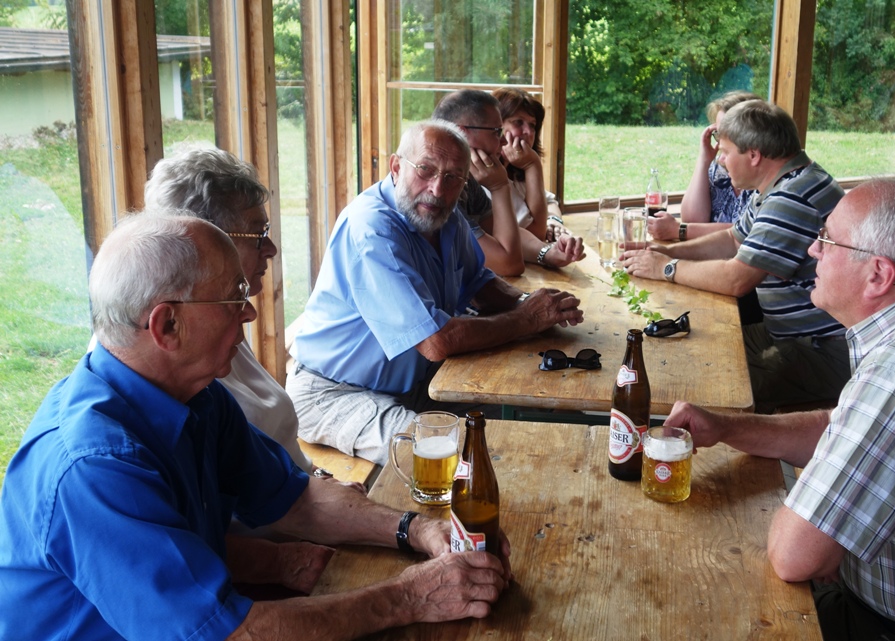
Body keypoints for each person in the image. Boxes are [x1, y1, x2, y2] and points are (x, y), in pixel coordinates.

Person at [0, 211, 512, 640]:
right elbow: (228, 635)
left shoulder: (194, 395)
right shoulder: (94, 465)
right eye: (231, 298)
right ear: (166, 325)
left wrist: (419, 530)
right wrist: (412, 596)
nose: (248, 311)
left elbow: (297, 500)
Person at [664, 176, 895, 640]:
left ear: (879, 275)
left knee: (710, 596)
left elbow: (794, 556)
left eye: (826, 239)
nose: (811, 252)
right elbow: (844, 428)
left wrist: (825, 541)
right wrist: (727, 428)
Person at [286, 120, 584, 464]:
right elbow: (436, 342)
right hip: (335, 393)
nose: (437, 189)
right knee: (451, 455)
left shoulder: (446, 217)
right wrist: (526, 318)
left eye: (453, 177)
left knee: (525, 414)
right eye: (425, 170)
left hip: (417, 384)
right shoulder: (372, 228)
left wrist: (531, 305)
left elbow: (479, 283)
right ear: (396, 167)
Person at [620, 100, 848, 412]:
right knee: (691, 349)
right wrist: (664, 251)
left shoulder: (790, 198)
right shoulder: (783, 182)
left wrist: (667, 268)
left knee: (702, 384)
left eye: (725, 152)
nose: (721, 161)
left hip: (822, 350)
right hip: (786, 333)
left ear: (754, 154)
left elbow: (737, 278)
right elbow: (731, 239)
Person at [143, 146, 313, 473]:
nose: (272, 249)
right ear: (206, 240)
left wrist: (317, 480)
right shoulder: (181, 335)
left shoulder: (223, 309)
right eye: (258, 235)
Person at [432, 90, 584, 272]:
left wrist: (549, 252)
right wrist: (499, 186)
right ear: (461, 133)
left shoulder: (467, 183)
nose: (503, 141)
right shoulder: (441, 188)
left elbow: (501, 228)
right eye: (497, 132)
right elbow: (510, 263)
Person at [647, 90, 760, 243]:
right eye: (718, 134)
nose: (720, 144)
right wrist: (704, 161)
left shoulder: (763, 176)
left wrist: (678, 230)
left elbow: (746, 232)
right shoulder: (720, 169)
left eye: (727, 135)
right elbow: (692, 219)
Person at [491, 86, 585, 267]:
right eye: (518, 122)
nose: (528, 131)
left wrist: (554, 221)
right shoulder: (487, 178)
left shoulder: (516, 172)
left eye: (532, 125)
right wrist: (533, 165)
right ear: (496, 126)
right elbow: (536, 233)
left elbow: (549, 201)